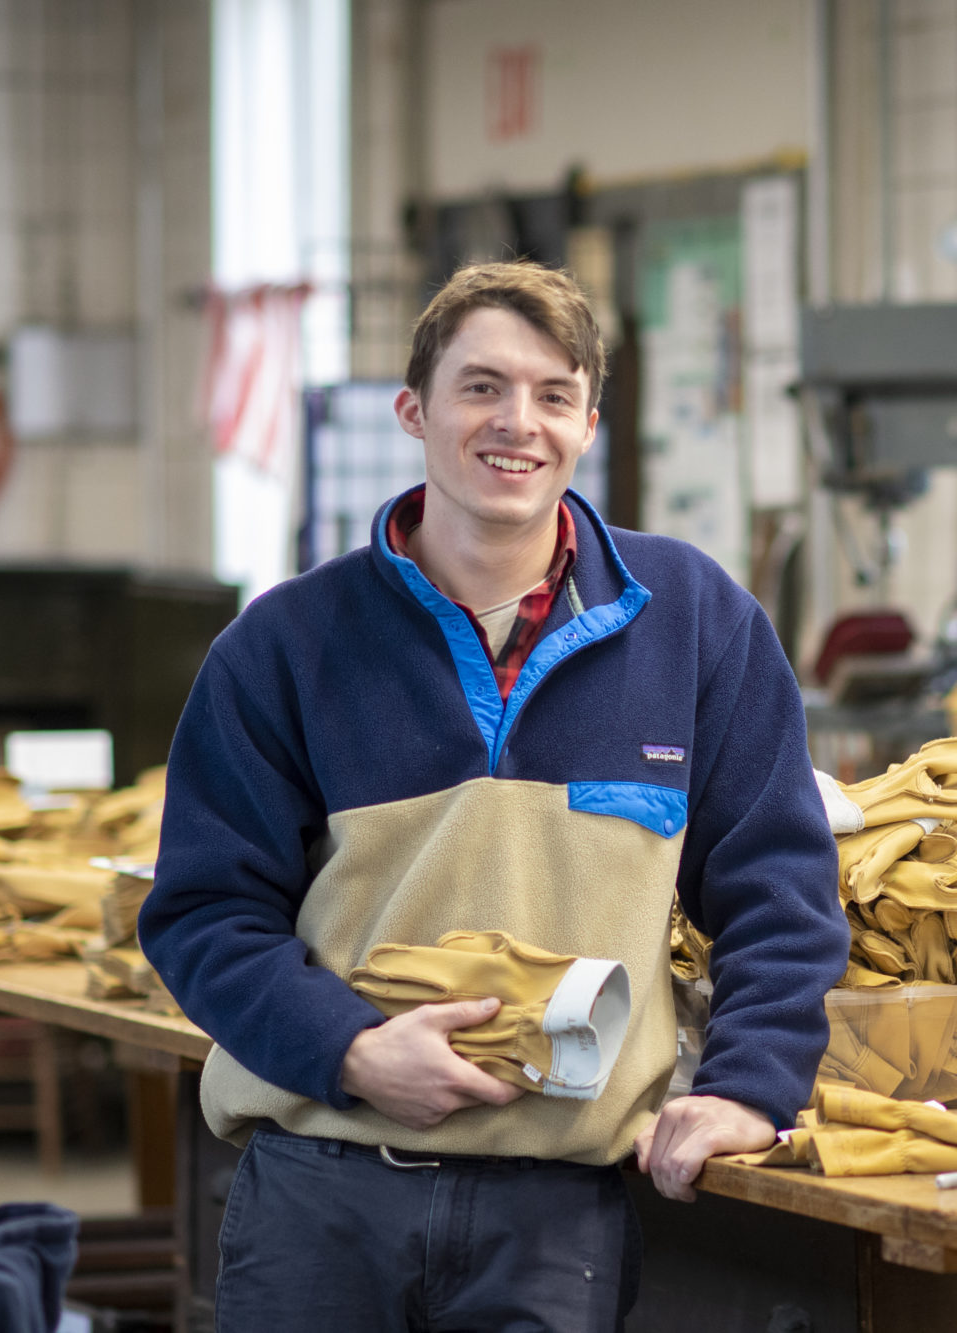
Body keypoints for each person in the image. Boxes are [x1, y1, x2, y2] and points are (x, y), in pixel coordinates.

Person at [138, 261, 849, 1331]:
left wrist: (747, 1085)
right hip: (318, 1191)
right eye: (481, 387)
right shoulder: (283, 645)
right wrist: (352, 1049)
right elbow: (202, 913)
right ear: (414, 411)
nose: (517, 422)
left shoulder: (695, 622)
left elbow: (780, 888)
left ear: (588, 423)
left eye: (553, 394)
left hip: (555, 1215)